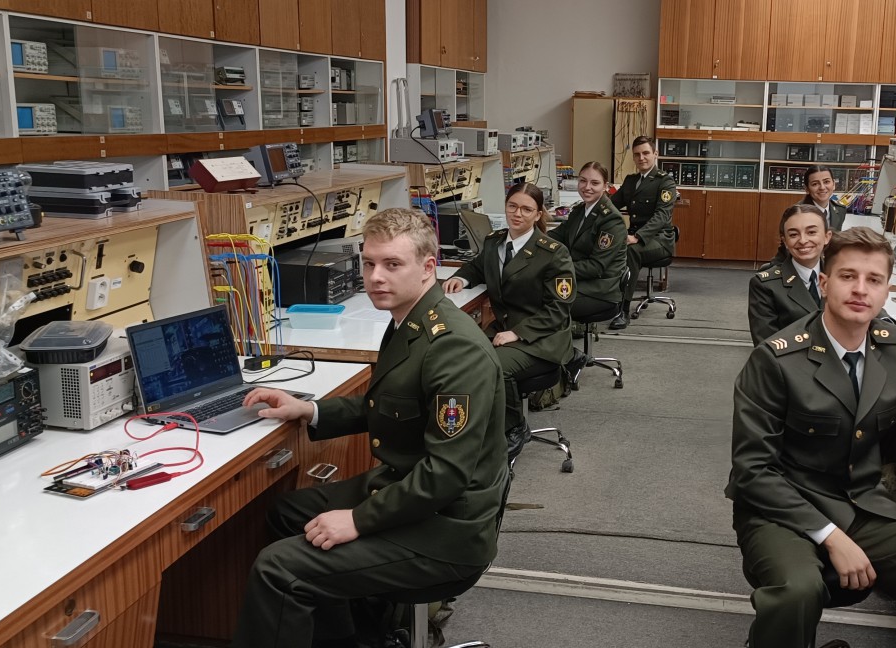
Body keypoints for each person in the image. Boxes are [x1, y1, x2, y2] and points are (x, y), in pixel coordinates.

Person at [233, 208, 509, 648]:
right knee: (286, 513)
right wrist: (310, 411)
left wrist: (357, 521)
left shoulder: (453, 347)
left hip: (446, 530)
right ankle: (351, 637)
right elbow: (388, 404)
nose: (376, 277)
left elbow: (445, 474)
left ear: (428, 268)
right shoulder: (409, 320)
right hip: (412, 491)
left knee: (278, 568)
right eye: (369, 263)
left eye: (392, 264)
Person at [727, 227, 896, 648]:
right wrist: (832, 537)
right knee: (797, 591)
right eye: (848, 276)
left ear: (886, 291)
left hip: (860, 504)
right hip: (781, 509)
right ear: (824, 282)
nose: (860, 289)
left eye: (874, 280)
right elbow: (752, 471)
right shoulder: (777, 360)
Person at [444, 182, 576, 455]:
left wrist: (517, 333)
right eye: (512, 206)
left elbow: (558, 309)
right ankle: (477, 429)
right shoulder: (495, 242)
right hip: (504, 329)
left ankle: (515, 428)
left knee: (492, 366)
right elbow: (477, 267)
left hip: (542, 339)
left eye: (526, 209)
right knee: (457, 358)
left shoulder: (553, 252)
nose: (518, 214)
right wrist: (461, 278)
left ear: (538, 214)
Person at [609, 135, 678, 329]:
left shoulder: (665, 182)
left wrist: (637, 237)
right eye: (637, 154)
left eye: (646, 153)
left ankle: (623, 311)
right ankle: (606, 301)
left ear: (655, 154)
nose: (641, 158)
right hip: (635, 237)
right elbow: (612, 206)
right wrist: (588, 208)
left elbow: (661, 216)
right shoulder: (631, 181)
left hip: (660, 240)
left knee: (631, 251)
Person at [547, 162, 627, 326]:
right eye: (583, 181)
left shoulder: (611, 220)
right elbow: (556, 236)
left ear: (605, 186)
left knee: (543, 301)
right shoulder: (580, 211)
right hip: (580, 280)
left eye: (594, 183)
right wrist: (529, 240)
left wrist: (555, 268)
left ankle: (558, 342)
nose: (587, 187)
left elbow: (595, 267)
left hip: (599, 291)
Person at [748, 204, 831, 345]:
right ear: (785, 241)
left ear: (827, 237)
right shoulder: (766, 285)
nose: (803, 240)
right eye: (793, 235)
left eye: (811, 232)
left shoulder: (840, 277)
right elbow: (767, 347)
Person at [766, 165, 848, 268]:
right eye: (815, 184)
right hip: (794, 265)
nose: (822, 187)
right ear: (807, 189)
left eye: (826, 182)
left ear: (834, 184)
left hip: (824, 265)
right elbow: (788, 248)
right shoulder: (795, 213)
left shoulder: (840, 210)